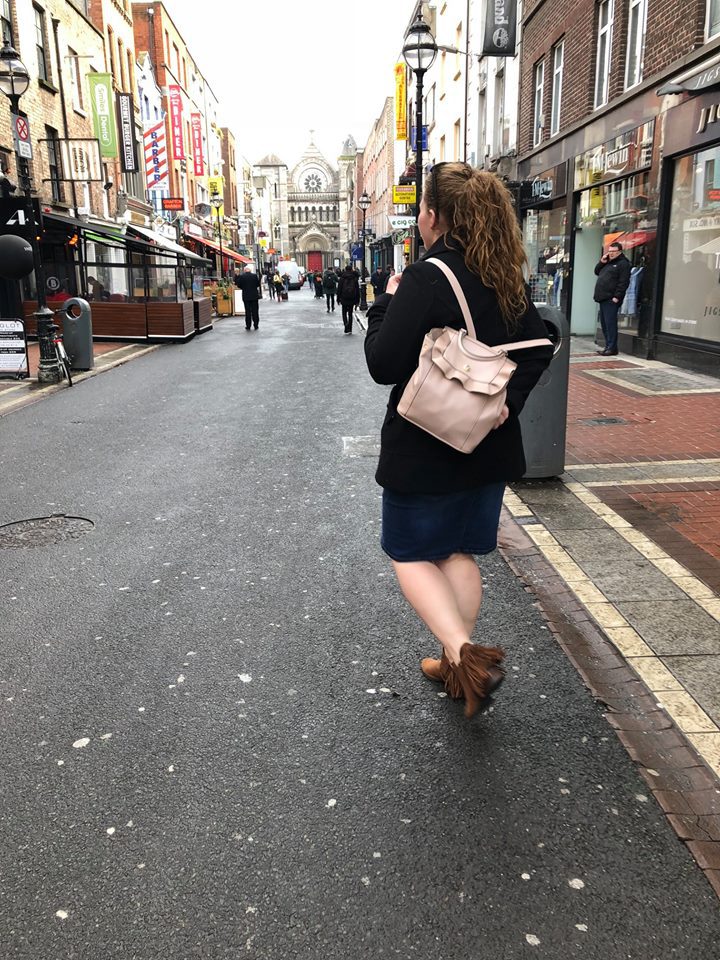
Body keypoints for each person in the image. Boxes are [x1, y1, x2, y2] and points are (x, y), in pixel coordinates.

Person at [364, 162, 553, 718]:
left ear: (435, 216)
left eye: (423, 209)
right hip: (486, 450)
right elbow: (542, 345)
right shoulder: (505, 274)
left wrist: (384, 301)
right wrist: (505, 406)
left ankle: (467, 654)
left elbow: (382, 363)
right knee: (457, 551)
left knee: (409, 553)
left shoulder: (428, 276)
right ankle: (457, 666)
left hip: (426, 446)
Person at [593, 241, 631, 356]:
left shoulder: (623, 264)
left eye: (613, 251)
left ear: (619, 252)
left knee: (610, 324)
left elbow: (623, 282)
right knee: (605, 324)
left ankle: (612, 347)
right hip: (602, 297)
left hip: (611, 298)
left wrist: (617, 296)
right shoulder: (608, 262)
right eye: (609, 251)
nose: (611, 254)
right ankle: (608, 346)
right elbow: (596, 271)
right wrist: (601, 262)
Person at [235, 264, 262, 330]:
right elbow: (257, 284)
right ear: (250, 270)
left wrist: (244, 287)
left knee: (247, 311)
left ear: (244, 270)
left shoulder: (242, 276)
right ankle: (256, 324)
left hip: (246, 296)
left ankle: (248, 325)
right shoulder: (254, 276)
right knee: (255, 311)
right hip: (254, 296)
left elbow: (239, 285)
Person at [337, 264, 360, 334]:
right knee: (350, 313)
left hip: (344, 298)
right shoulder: (354, 278)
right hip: (352, 298)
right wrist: (357, 300)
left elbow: (339, 289)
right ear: (351, 270)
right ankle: (350, 328)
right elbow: (357, 290)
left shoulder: (342, 278)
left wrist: (338, 299)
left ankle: (346, 325)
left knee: (344, 313)